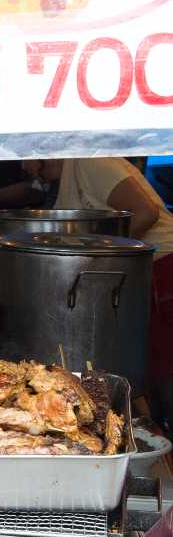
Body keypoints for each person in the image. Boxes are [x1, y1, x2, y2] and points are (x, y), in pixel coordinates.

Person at [23, 157, 173, 423]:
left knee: (165, 370)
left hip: (165, 266)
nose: (24, 166)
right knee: (152, 368)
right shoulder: (65, 180)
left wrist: (97, 254)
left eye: (25, 158)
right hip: (138, 274)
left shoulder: (92, 161)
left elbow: (146, 212)